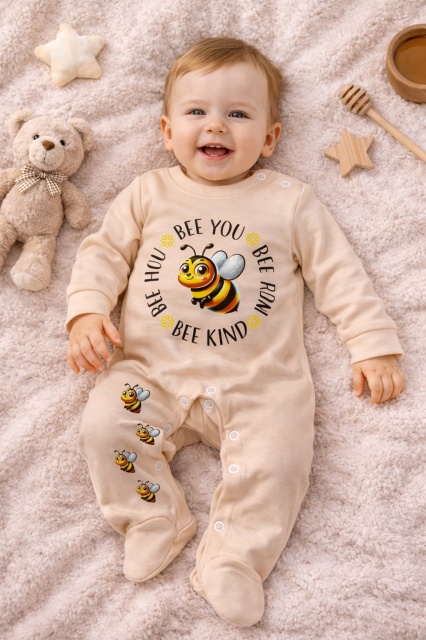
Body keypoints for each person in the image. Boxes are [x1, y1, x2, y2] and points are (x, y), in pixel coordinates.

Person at [66, 36, 404, 627]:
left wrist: (372, 344)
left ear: (270, 139)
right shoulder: (148, 192)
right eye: (196, 111)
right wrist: (87, 313)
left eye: (238, 114)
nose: (215, 125)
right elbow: (103, 254)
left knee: (281, 462)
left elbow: (340, 275)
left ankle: (235, 558)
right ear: (167, 131)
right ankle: (152, 517)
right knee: (105, 428)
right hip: (151, 373)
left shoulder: (291, 202)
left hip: (260, 383)